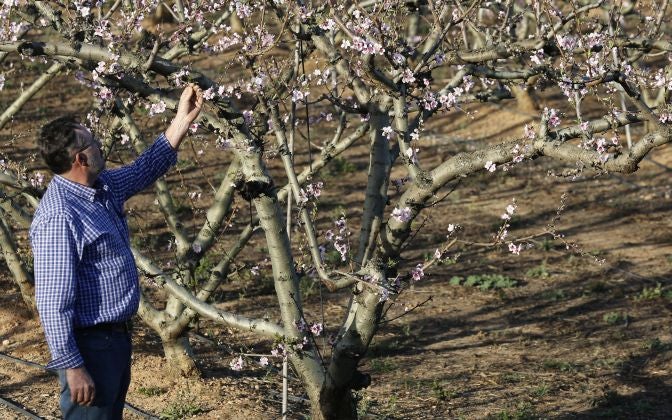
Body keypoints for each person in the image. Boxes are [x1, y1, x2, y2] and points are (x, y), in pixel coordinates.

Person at [30, 84, 203, 419]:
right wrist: (73, 367)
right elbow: (52, 302)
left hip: (115, 340)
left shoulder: (101, 188)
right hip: (90, 348)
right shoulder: (60, 216)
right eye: (92, 142)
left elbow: (144, 169)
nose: (99, 145)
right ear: (80, 158)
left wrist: (182, 120)